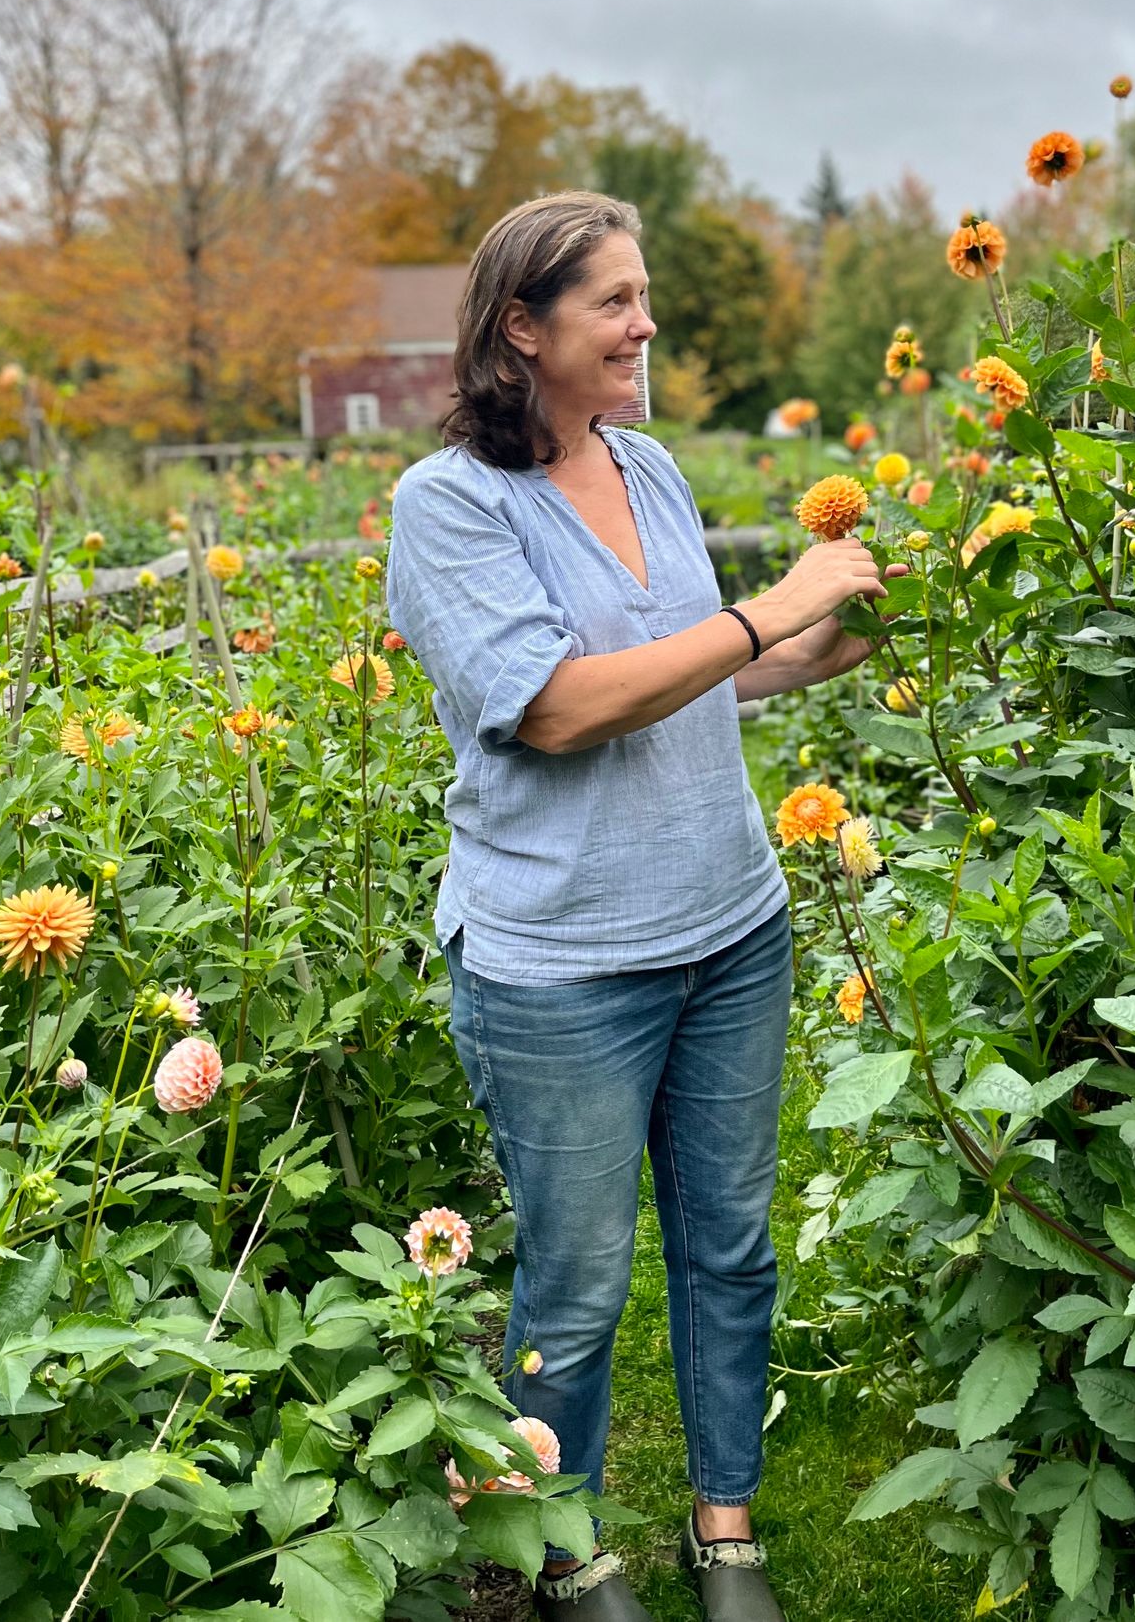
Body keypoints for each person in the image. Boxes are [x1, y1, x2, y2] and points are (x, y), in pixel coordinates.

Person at [386, 191, 895, 1621]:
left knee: (729, 1242)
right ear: (519, 328)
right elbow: (553, 708)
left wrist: (827, 641)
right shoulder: (451, 507)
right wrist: (769, 605)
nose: (645, 324)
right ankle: (565, 1543)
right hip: (563, 964)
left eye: (644, 293)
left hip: (728, 930)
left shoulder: (648, 464)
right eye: (614, 300)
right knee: (579, 1280)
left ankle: (723, 1522)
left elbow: (695, 668)